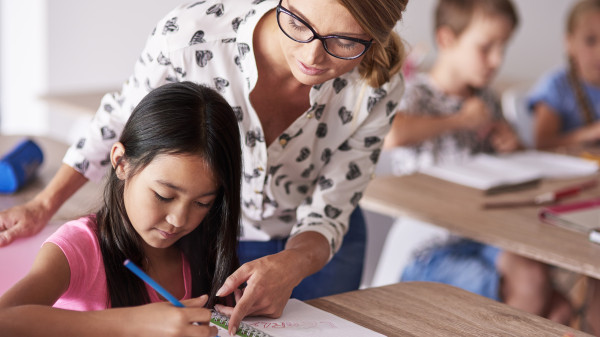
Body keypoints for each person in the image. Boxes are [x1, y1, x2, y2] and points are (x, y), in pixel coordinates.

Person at [0, 0, 408, 334]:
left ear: (374, 40)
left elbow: (334, 203)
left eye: (344, 42)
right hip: (218, 237)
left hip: (294, 243)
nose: (313, 55)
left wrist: (294, 260)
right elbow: (115, 122)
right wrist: (44, 205)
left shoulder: (376, 87)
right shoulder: (189, 38)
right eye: (299, 24)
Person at [383, 0, 573, 325]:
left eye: (503, 48)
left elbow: (506, 170)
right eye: (486, 48)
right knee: (536, 299)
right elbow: (390, 136)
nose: (496, 61)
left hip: (484, 235)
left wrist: (514, 147)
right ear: (447, 40)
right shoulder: (416, 94)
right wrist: (460, 120)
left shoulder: (485, 99)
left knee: (552, 299)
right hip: (429, 245)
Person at [0, 81, 242, 336]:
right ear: (121, 162)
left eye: (202, 203)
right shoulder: (80, 247)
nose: (179, 219)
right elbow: (4, 320)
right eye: (163, 195)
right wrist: (132, 323)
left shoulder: (205, 247)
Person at [528, 0, 600, 150]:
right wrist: (589, 134)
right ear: (569, 42)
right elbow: (541, 144)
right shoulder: (555, 87)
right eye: (590, 40)